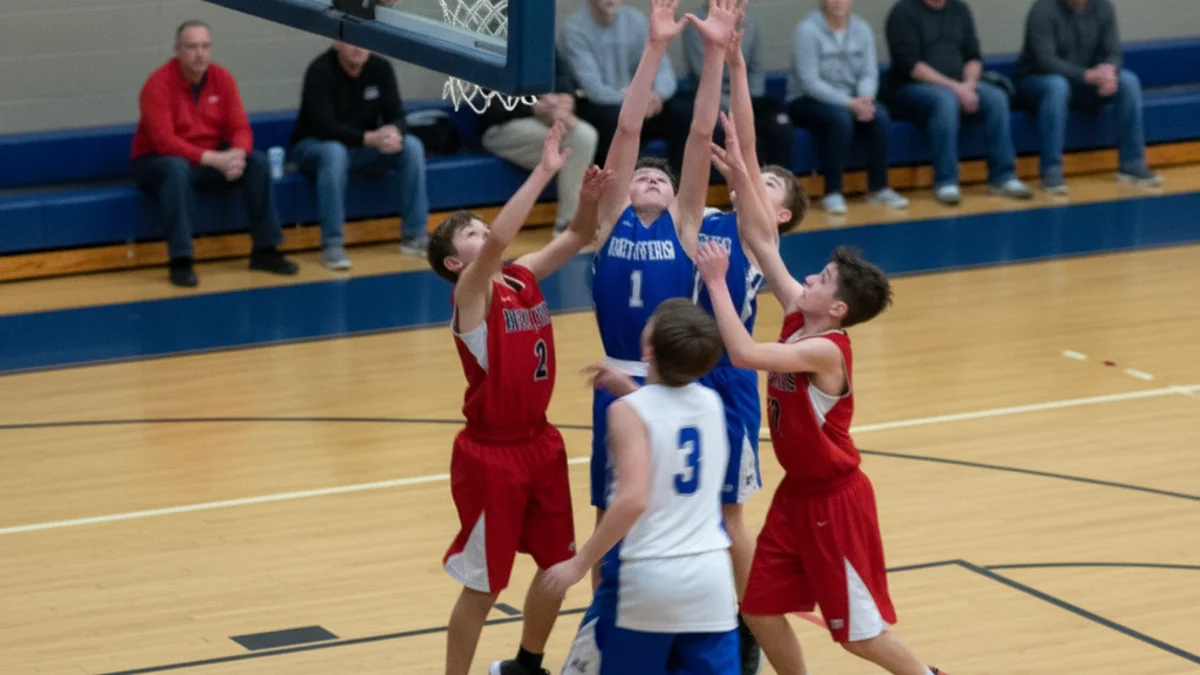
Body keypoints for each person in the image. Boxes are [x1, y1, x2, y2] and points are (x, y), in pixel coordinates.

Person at [696, 133, 950, 675]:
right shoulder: (802, 315)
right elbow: (763, 242)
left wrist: (717, 282)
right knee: (760, 610)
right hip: (797, 497)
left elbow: (741, 352)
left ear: (835, 307)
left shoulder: (824, 351)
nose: (807, 277)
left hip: (836, 504)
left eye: (822, 279)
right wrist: (739, 173)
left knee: (859, 637)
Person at [426, 123, 614, 675]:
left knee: (558, 565)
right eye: (475, 236)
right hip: (492, 458)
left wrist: (585, 198)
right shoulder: (470, 296)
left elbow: (580, 235)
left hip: (541, 445)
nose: (487, 236)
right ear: (456, 264)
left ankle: (527, 665)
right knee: (484, 588)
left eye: (485, 229)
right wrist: (544, 170)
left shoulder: (520, 277)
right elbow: (506, 240)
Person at [585, 0, 735, 586]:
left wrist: (715, 52)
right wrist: (654, 46)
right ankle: (602, 621)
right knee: (608, 515)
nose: (650, 178)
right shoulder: (608, 222)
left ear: (677, 197)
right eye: (642, 175)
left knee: (670, 506)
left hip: (672, 383)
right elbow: (626, 128)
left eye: (661, 178)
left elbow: (700, 132)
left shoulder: (685, 224)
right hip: (618, 381)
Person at [691, 32, 810, 675]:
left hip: (729, 380)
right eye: (752, 178)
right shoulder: (707, 219)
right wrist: (727, 62)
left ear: (781, 216)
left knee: (730, 514)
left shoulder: (757, 235)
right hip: (682, 371)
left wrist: (737, 64)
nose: (752, 181)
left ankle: (748, 621)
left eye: (768, 184)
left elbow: (749, 143)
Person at [544, 298, 738, 675]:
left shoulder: (626, 412)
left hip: (652, 577)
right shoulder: (713, 404)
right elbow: (668, 415)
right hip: (711, 578)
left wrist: (580, 564)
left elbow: (633, 499)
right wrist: (629, 388)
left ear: (648, 349)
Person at [131, 20, 298, 288]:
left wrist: (236, 155)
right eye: (192, 47)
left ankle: (266, 250)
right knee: (176, 169)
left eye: (205, 46)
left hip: (207, 158)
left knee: (256, 162)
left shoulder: (223, 79)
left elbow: (240, 127)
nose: (200, 53)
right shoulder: (157, 84)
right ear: (178, 50)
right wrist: (214, 159)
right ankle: (181, 260)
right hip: (156, 161)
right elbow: (165, 142)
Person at [290, 41, 430, 270]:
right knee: (335, 153)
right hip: (314, 147)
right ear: (336, 42)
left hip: (361, 148)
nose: (358, 47)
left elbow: (398, 116)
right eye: (350, 40)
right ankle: (332, 243)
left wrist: (393, 132)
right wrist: (370, 138)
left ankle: (415, 235)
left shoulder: (380, 68)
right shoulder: (320, 71)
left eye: (363, 39)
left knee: (412, 146)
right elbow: (323, 126)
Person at [883, 0, 1032, 205]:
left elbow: (973, 57)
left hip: (961, 84)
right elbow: (911, 66)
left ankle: (1003, 176)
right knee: (945, 101)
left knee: (996, 99)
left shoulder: (960, 10)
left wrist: (969, 85)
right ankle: (946, 180)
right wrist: (955, 88)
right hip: (913, 88)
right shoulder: (903, 12)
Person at [1013, 0, 1161, 194]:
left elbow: (1113, 52)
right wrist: (1086, 75)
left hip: (1085, 81)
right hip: (1038, 81)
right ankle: (1051, 169)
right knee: (1057, 86)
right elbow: (1046, 61)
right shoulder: (1043, 10)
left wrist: (1109, 71)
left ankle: (1132, 162)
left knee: (1128, 81)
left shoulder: (1103, 7)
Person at [789, 0, 908, 214]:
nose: (838, 2)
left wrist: (865, 99)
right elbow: (810, 82)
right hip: (807, 100)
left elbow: (869, 73)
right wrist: (850, 103)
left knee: (880, 116)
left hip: (853, 99)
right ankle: (833, 191)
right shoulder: (807, 31)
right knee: (840, 120)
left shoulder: (862, 29)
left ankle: (878, 187)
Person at [558, 0, 692, 173]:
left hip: (643, 103)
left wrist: (657, 94)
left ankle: (675, 189)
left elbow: (663, 69)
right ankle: (624, 193)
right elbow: (593, 88)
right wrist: (633, 99)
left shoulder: (636, 20)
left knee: (684, 112)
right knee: (613, 119)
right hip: (601, 106)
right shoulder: (574, 29)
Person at [477, 50, 600, 237]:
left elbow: (563, 78)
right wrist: (532, 106)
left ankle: (570, 222)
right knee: (563, 147)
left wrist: (565, 101)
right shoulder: (493, 38)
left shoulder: (542, 39)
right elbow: (488, 103)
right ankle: (569, 228)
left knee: (584, 134)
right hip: (504, 123)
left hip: (545, 116)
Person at [680, 3, 793, 168]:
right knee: (731, 132)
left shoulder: (750, 19)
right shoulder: (697, 21)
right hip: (712, 99)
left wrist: (747, 100)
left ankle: (778, 187)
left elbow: (756, 68)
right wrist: (733, 106)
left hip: (746, 94)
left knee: (782, 131)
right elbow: (702, 74)